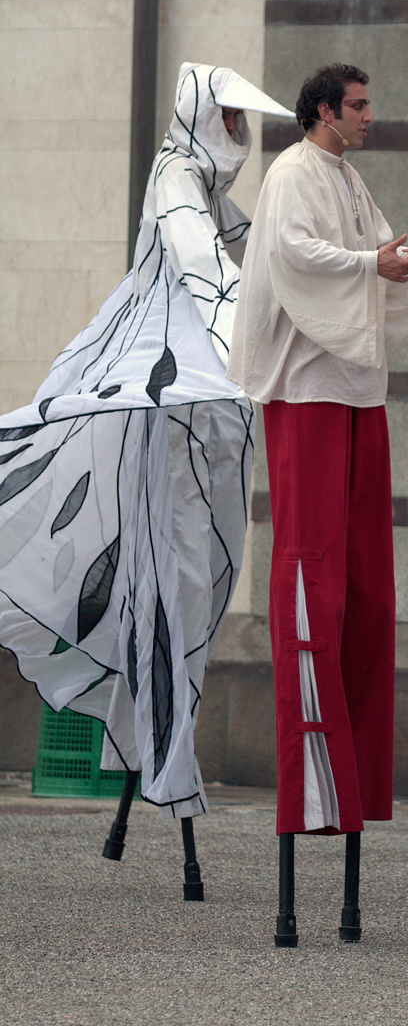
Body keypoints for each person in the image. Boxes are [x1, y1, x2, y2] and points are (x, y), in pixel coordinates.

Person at [0, 62, 293, 818]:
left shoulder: (207, 188)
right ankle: (165, 756)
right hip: (167, 394)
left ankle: (163, 748)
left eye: (242, 123)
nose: (239, 135)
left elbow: (256, 254)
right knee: (167, 575)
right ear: (201, 116)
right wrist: (252, 349)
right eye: (229, 121)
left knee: (195, 577)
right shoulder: (174, 183)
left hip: (205, 398)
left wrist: (345, 275)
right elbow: (206, 269)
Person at [227, 63, 408, 863]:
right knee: (313, 573)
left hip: (357, 393)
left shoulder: (346, 177)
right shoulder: (290, 174)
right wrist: (373, 266)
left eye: (368, 102)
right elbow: (294, 254)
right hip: (309, 390)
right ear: (322, 110)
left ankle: (349, 779)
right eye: (357, 105)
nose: (368, 116)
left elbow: (373, 246)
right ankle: (311, 779)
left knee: (364, 585)